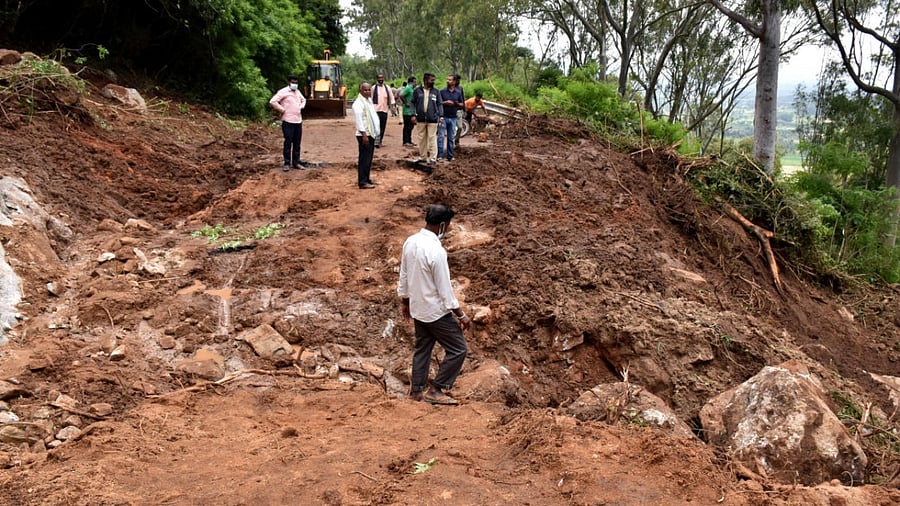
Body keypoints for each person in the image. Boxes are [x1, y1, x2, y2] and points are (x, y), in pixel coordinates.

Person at [398, 204, 471, 405]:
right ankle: (437, 389)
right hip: (435, 312)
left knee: (422, 349)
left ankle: (416, 392)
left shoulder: (410, 242)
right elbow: (445, 289)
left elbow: (403, 275)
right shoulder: (436, 252)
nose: (447, 230)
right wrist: (461, 314)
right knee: (458, 349)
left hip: (418, 308)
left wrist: (405, 302)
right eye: (447, 226)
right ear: (441, 225)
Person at [269, 75, 307, 171]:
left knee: (297, 143)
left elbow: (304, 100)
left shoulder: (297, 92)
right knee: (288, 142)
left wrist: (301, 106)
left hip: (298, 120)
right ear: (289, 83)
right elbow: (273, 101)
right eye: (293, 82)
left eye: (296, 83)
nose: (295, 84)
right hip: (288, 121)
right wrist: (282, 110)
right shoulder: (283, 92)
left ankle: (296, 162)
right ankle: (287, 163)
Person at [352, 82, 380, 189]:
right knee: (364, 158)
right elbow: (359, 121)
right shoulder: (358, 104)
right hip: (364, 135)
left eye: (369, 90)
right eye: (365, 90)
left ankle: (366, 178)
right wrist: (364, 135)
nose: (368, 92)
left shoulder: (368, 101)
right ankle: (362, 181)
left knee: (368, 158)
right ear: (360, 91)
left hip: (370, 134)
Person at [410, 73, 443, 164]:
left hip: (433, 119)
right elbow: (412, 103)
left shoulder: (436, 91)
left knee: (432, 138)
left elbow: (439, 104)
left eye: (433, 80)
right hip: (420, 119)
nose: (433, 82)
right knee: (421, 138)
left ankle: (433, 158)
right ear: (425, 80)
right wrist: (412, 114)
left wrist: (441, 116)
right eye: (431, 80)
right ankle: (423, 157)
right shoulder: (417, 91)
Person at [437, 74, 464, 162]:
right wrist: (445, 103)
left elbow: (462, 104)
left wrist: (456, 104)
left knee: (451, 137)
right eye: (447, 79)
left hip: (453, 117)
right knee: (440, 136)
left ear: (454, 82)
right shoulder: (442, 92)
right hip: (443, 116)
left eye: (450, 80)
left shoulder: (458, 92)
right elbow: (438, 103)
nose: (448, 81)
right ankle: (439, 155)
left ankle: (450, 156)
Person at [371, 74, 394, 148]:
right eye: (379, 78)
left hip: (384, 110)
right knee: (376, 126)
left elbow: (391, 98)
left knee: (382, 126)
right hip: (376, 110)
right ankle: (375, 141)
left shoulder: (387, 88)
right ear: (377, 79)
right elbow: (370, 99)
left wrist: (392, 108)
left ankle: (380, 140)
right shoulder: (373, 88)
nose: (381, 79)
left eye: (382, 78)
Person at [399, 76, 417, 147]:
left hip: (412, 111)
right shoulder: (408, 88)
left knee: (411, 126)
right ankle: (405, 141)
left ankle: (409, 140)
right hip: (407, 111)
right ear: (411, 82)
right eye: (415, 82)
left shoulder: (412, 89)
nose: (416, 83)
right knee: (407, 126)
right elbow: (401, 95)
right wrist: (406, 102)